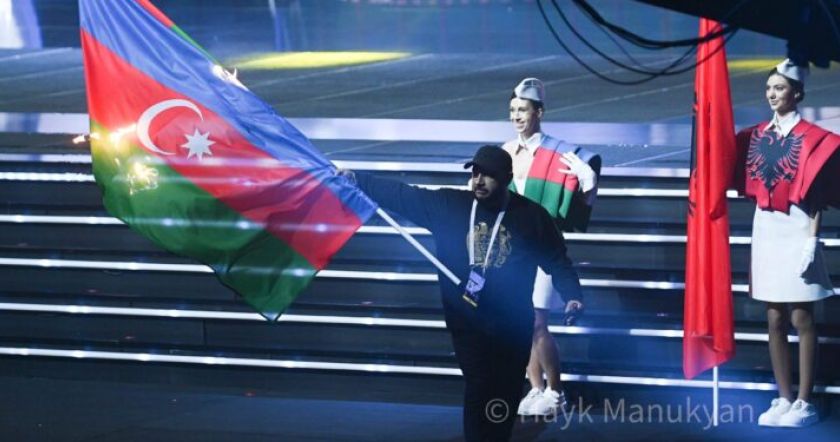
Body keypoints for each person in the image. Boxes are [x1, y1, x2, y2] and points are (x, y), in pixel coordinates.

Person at [341, 145, 583, 442]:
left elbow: (557, 260)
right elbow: (403, 195)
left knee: (506, 389)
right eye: (475, 173)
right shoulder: (450, 206)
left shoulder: (530, 216)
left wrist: (572, 295)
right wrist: (358, 179)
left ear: (506, 179)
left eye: (487, 175)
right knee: (480, 385)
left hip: (513, 325)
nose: (478, 180)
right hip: (468, 322)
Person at [732, 59, 840, 428]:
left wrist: (813, 240)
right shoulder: (756, 136)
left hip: (798, 228)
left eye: (779, 88)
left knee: (800, 316)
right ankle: (783, 397)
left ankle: (805, 402)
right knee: (774, 316)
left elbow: (818, 196)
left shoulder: (813, 138)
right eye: (768, 88)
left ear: (796, 92)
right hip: (767, 227)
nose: (772, 94)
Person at [502, 78, 601, 417]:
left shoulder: (559, 152)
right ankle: (535, 388)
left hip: (543, 247)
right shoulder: (505, 152)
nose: (517, 116)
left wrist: (588, 181)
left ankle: (556, 390)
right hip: (514, 250)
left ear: (539, 112)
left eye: (523, 110)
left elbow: (579, 199)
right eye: (513, 110)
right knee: (522, 321)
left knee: (536, 320)